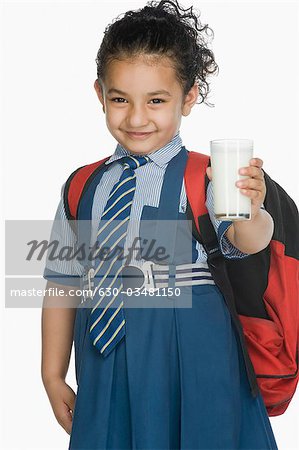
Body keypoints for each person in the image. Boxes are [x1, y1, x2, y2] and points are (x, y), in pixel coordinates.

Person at [41, 0, 278, 448]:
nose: (136, 118)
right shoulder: (82, 186)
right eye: (119, 100)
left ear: (188, 97)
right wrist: (52, 374)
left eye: (156, 100)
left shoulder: (206, 177)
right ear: (99, 94)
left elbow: (248, 241)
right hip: (105, 356)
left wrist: (253, 208)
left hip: (194, 357)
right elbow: (62, 281)